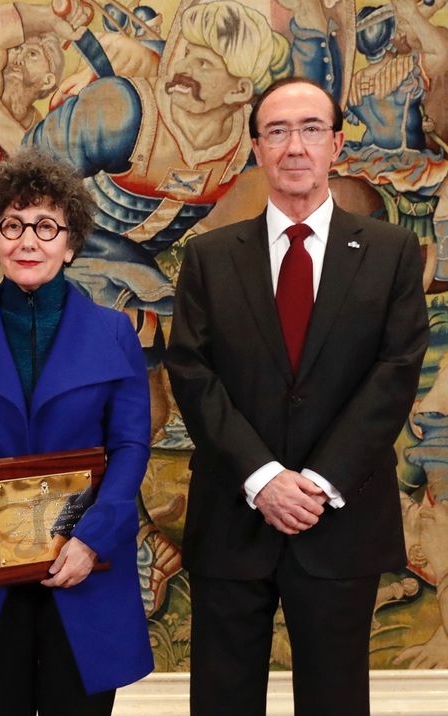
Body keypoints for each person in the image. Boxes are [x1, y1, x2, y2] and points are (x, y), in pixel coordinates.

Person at [164, 77, 430, 716]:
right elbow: (193, 374)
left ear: (335, 143)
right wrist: (263, 479)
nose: (294, 146)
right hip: (233, 517)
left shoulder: (392, 254)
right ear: (257, 148)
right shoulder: (208, 258)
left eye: (311, 128)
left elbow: (394, 376)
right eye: (277, 131)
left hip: (339, 520)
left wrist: (314, 481)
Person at [0, 148, 153, 715]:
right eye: (13, 224)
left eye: (47, 226)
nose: (28, 240)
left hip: (84, 565)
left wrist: (94, 534)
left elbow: (129, 447)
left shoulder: (114, 333)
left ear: (71, 244)